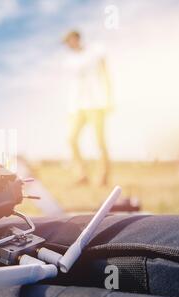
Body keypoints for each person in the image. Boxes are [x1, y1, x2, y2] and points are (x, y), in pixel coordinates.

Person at [63, 30, 113, 186]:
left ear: (76, 39)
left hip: (96, 104)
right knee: (71, 139)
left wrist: (109, 98)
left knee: (99, 142)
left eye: (69, 41)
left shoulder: (94, 52)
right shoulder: (70, 60)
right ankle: (82, 174)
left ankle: (104, 176)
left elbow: (105, 74)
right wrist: (71, 108)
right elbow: (73, 85)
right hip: (78, 107)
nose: (68, 45)